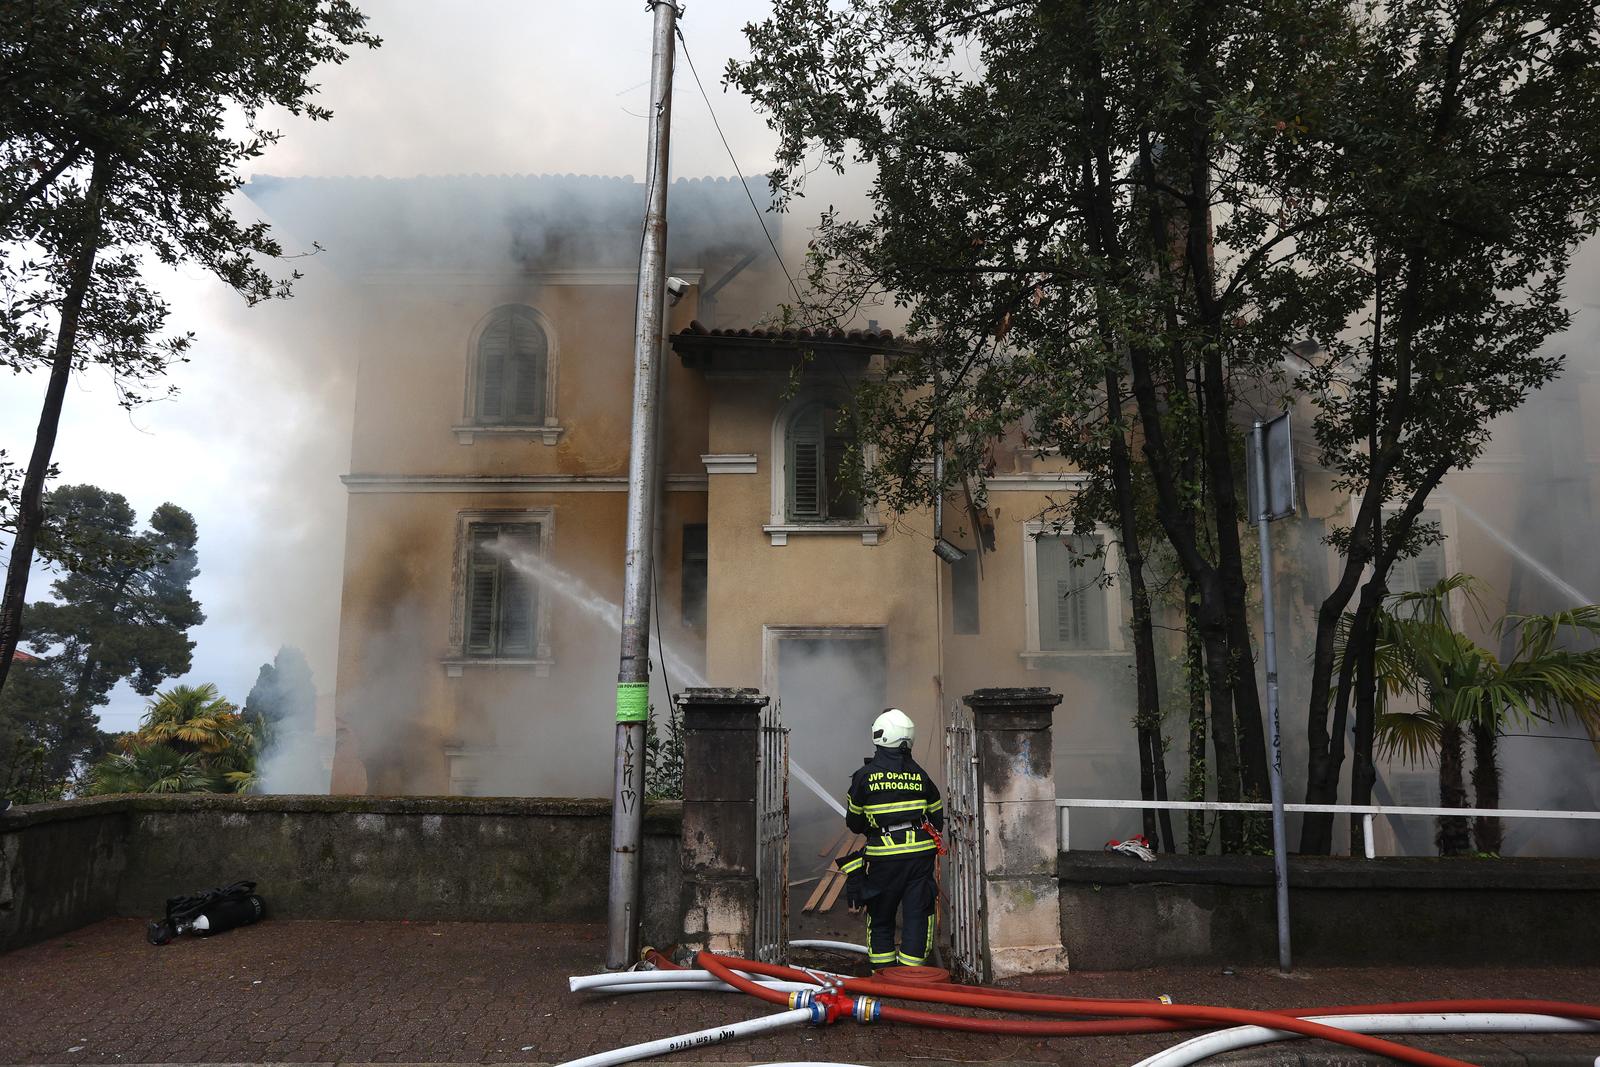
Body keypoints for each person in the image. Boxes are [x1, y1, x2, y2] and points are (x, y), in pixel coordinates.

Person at [843, 707, 943, 970]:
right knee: (917, 914)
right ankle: (911, 976)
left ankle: (884, 975)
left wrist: (876, 829)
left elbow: (854, 823)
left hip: (883, 860)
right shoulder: (921, 776)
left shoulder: (864, 777)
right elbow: (937, 818)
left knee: (880, 915)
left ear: (880, 736)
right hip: (919, 858)